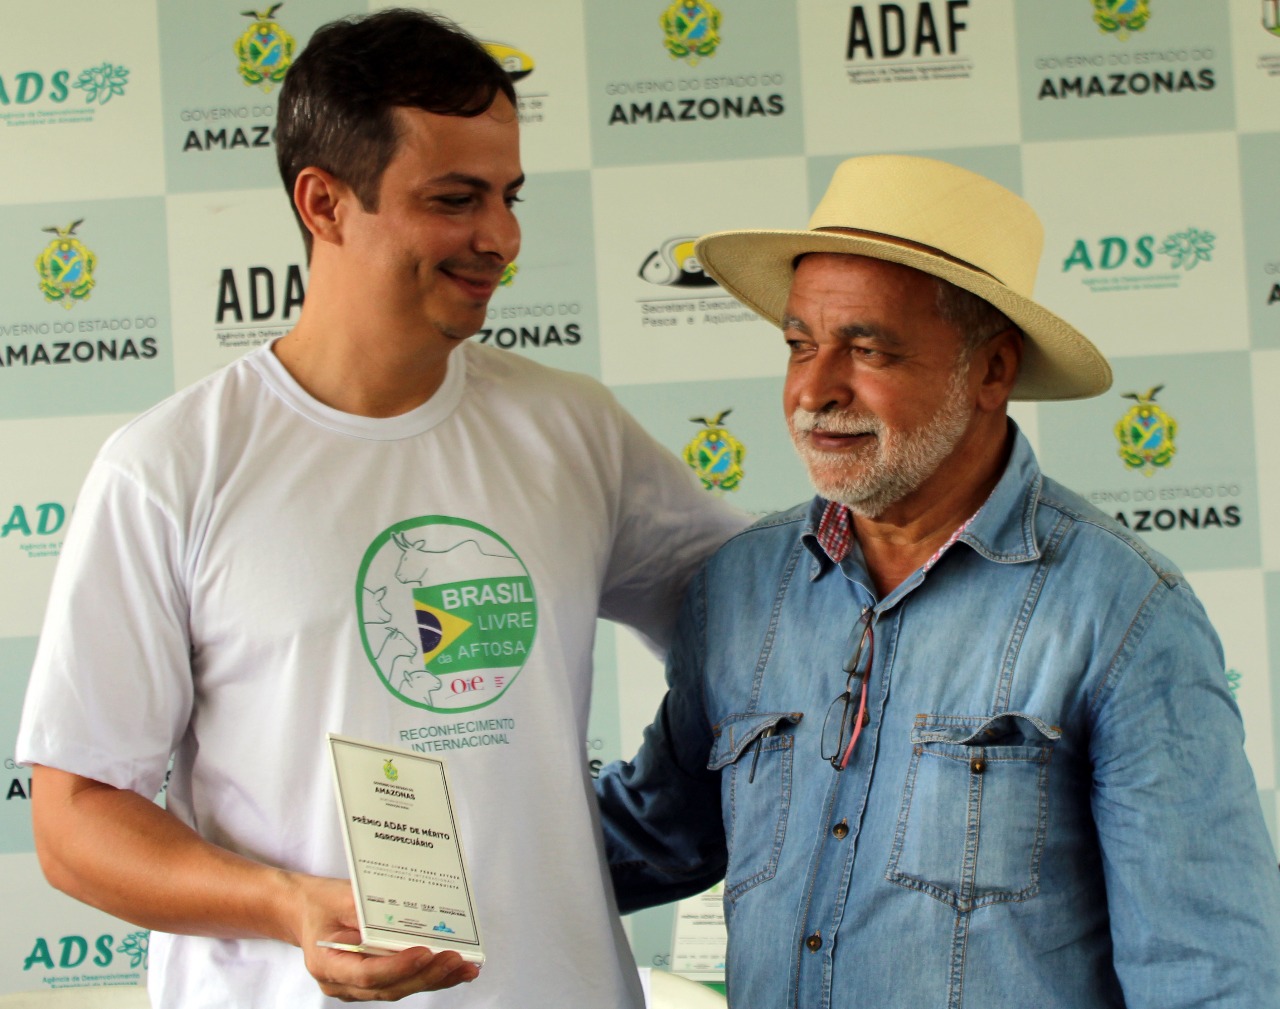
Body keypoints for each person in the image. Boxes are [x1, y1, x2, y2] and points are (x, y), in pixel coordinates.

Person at [17, 10, 744, 1008]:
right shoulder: (171, 467)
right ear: (323, 202)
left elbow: (761, 622)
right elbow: (72, 821)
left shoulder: (574, 428)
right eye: (454, 199)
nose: (501, 238)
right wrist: (290, 906)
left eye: (508, 196)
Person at [596, 155, 1280, 1007]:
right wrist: (449, 860)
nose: (814, 389)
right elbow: (655, 835)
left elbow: (1207, 970)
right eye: (800, 345)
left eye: (866, 349)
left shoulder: (1124, 611)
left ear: (992, 370)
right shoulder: (740, 585)